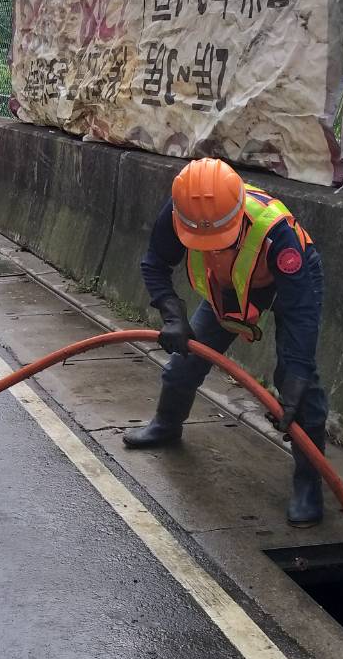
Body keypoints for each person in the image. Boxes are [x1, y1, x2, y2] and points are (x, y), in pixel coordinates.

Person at [124, 158, 328, 526]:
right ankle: (167, 425)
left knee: (300, 387)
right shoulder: (181, 210)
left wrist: (295, 373)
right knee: (184, 365)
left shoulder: (278, 235)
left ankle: (309, 483)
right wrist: (173, 315)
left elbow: (300, 312)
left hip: (287, 286)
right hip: (227, 285)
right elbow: (154, 263)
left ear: (236, 214)